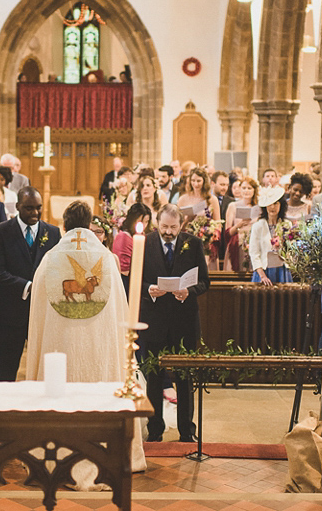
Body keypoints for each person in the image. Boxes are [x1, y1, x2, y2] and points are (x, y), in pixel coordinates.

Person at [25, 200, 146, 486]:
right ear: (90, 225)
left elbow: (37, 309)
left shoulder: (50, 259)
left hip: (57, 349)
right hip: (98, 348)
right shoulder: (106, 259)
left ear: (64, 225)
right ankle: (101, 454)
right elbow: (120, 309)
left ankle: (55, 456)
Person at [139, 204, 209, 442]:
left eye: (173, 227)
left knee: (184, 376)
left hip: (184, 320)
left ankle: (186, 431)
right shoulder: (145, 243)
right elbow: (135, 281)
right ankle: (155, 428)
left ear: (181, 225)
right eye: (164, 227)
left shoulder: (193, 244)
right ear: (157, 223)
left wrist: (189, 291)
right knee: (154, 376)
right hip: (154, 319)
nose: (168, 232)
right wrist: (149, 289)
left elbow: (204, 282)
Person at [0, 187, 61, 381]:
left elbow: (57, 268)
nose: (35, 213)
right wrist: (28, 286)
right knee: (6, 369)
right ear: (18, 206)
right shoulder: (1, 231)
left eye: (38, 208)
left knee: (45, 369)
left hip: (42, 314)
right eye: (29, 208)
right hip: (10, 313)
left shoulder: (52, 233)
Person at [249, 186, 293, 285]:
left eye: (275, 203)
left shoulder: (286, 224)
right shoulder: (258, 226)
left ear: (281, 205)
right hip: (264, 271)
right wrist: (262, 276)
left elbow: (290, 250)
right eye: (269, 204)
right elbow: (254, 253)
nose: (272, 207)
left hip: (282, 271)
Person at [112, 202, 152, 293]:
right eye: (141, 222)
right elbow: (124, 271)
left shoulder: (142, 235)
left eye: (146, 222)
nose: (144, 225)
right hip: (126, 282)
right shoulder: (123, 237)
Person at [224, 177, 259, 272]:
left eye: (249, 188)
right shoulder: (233, 206)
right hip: (238, 244)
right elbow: (228, 233)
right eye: (244, 188)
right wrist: (239, 224)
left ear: (254, 190)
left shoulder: (259, 207)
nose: (246, 191)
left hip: (254, 245)